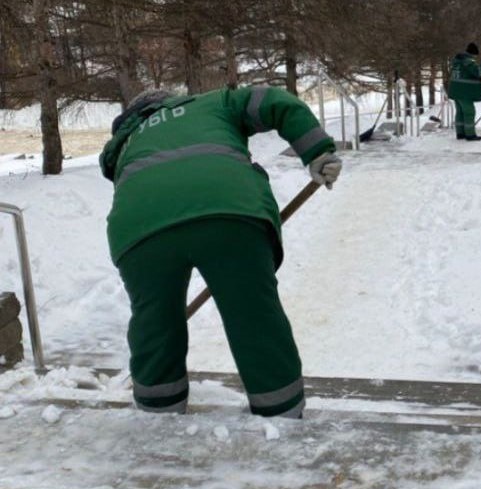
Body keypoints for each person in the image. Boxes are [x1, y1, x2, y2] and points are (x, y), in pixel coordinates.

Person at [99, 86, 342, 418]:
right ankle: (279, 412)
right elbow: (273, 101)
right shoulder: (213, 101)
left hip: (138, 230)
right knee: (253, 314)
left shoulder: (124, 141)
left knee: (154, 322)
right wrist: (316, 152)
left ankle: (156, 414)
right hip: (229, 209)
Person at [448, 42, 481, 141]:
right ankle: (470, 135)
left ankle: (460, 133)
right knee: (469, 112)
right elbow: (478, 72)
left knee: (460, 112)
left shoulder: (457, 62)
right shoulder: (468, 62)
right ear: (473, 53)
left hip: (456, 91)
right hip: (464, 93)